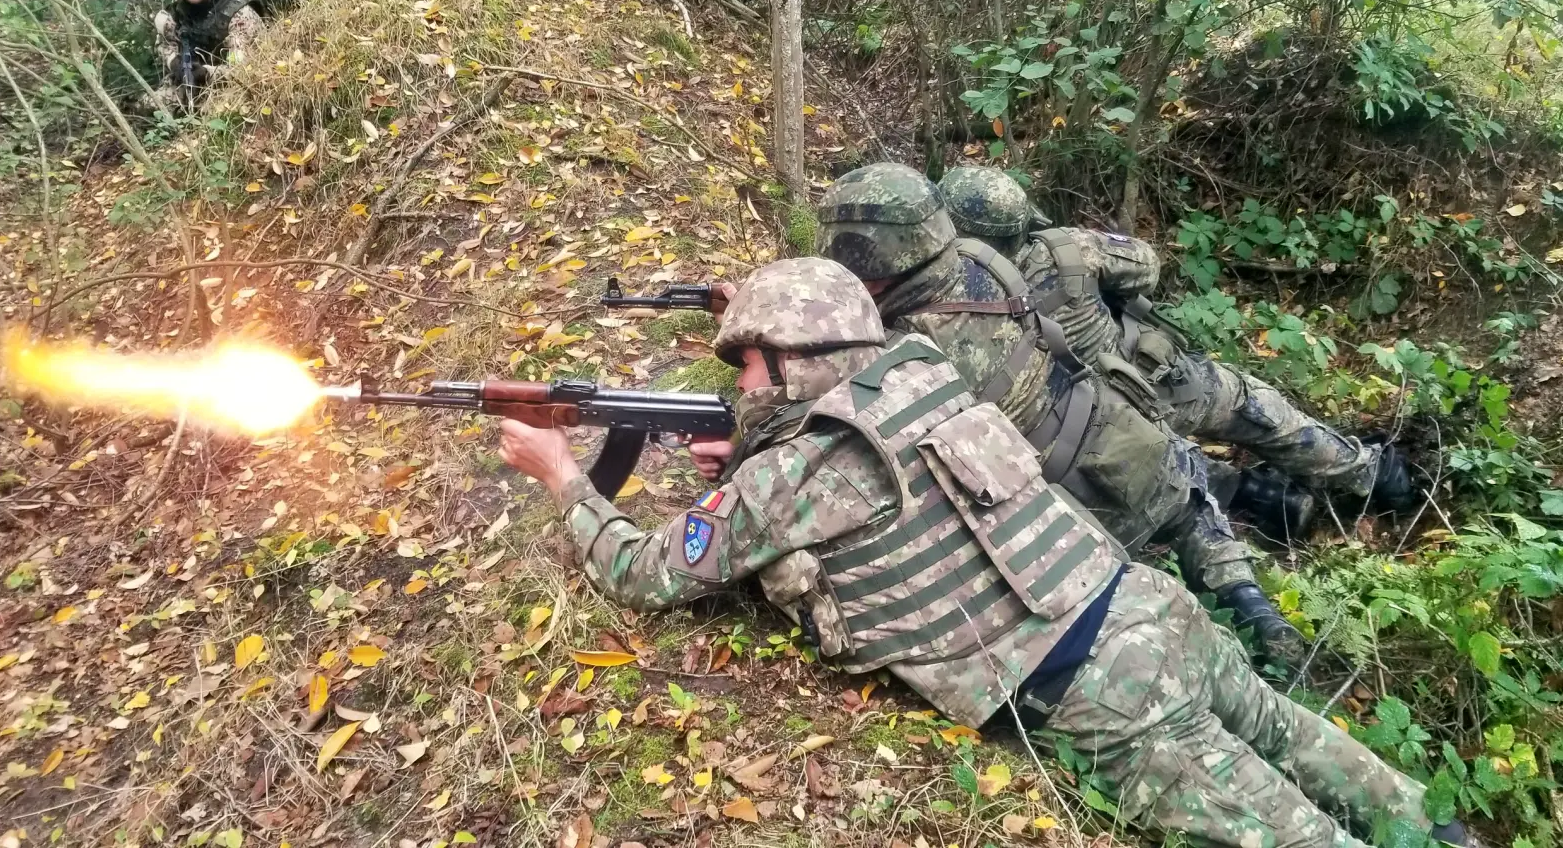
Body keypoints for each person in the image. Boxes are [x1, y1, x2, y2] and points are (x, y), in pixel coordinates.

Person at [495, 257, 1470, 848]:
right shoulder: (920, 374)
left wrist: (559, 475)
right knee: (1292, 735)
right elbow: (885, 476)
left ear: (796, 359)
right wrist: (753, 442)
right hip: (1148, 607)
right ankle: (1441, 829)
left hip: (1097, 693)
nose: (742, 379)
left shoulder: (792, 477)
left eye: (748, 360)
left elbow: (643, 574)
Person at [814, 162, 1303, 663]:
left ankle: (1235, 624)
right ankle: (1258, 611)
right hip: (1127, 438)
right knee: (1189, 508)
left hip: (1069, 515)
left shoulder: (892, 350)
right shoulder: (988, 263)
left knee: (1144, 581)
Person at [936, 165, 1415, 537]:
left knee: (1162, 468)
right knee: (1245, 399)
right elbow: (1146, 266)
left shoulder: (957, 308)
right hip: (1156, 384)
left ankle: (1262, 499)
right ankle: (1369, 473)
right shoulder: (1067, 250)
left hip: (1087, 433)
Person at [153, 0, 263, 105]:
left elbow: (246, 71)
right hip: (189, 84)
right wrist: (174, 63)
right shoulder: (176, 12)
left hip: (235, 88)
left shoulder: (240, 16)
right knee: (149, 105)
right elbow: (164, 45)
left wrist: (205, 73)